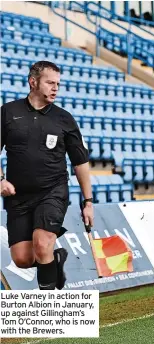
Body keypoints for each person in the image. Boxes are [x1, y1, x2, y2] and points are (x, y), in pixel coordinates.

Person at [1, 61, 94, 290]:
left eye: (58, 84)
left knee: (42, 245)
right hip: (18, 197)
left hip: (53, 191)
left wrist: (88, 201)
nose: (55, 88)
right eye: (50, 83)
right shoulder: (8, 113)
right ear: (33, 82)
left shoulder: (64, 118)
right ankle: (55, 260)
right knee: (22, 259)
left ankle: (50, 310)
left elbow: (80, 162)